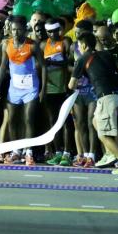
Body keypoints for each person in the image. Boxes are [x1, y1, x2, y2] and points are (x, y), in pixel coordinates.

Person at [69, 32, 118, 175]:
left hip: (106, 98)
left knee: (104, 135)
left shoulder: (82, 59)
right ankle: (110, 153)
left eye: (79, 45)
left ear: (84, 45)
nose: (79, 48)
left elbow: (71, 85)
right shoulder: (107, 54)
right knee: (95, 121)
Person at [0, 16, 43, 165]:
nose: (16, 32)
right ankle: (16, 151)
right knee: (13, 120)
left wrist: (43, 90)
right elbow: (3, 66)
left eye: (19, 30)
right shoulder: (6, 45)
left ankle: (28, 152)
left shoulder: (33, 46)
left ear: (25, 30)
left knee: (28, 119)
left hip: (31, 88)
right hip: (14, 89)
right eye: (14, 29)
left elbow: (44, 67)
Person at [41, 19, 73, 167]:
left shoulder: (65, 41)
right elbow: (41, 66)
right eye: (50, 31)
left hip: (63, 87)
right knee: (53, 121)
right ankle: (57, 152)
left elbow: (69, 63)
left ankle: (67, 153)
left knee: (66, 122)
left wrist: (52, 62)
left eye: (56, 30)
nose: (54, 34)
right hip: (49, 88)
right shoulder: (43, 45)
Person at [69, 20, 98, 168]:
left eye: (80, 33)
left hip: (92, 90)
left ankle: (92, 155)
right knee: (79, 123)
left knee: (91, 122)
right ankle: (85, 154)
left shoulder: (96, 47)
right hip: (78, 90)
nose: (77, 35)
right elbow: (69, 64)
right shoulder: (74, 47)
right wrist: (75, 71)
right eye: (76, 32)